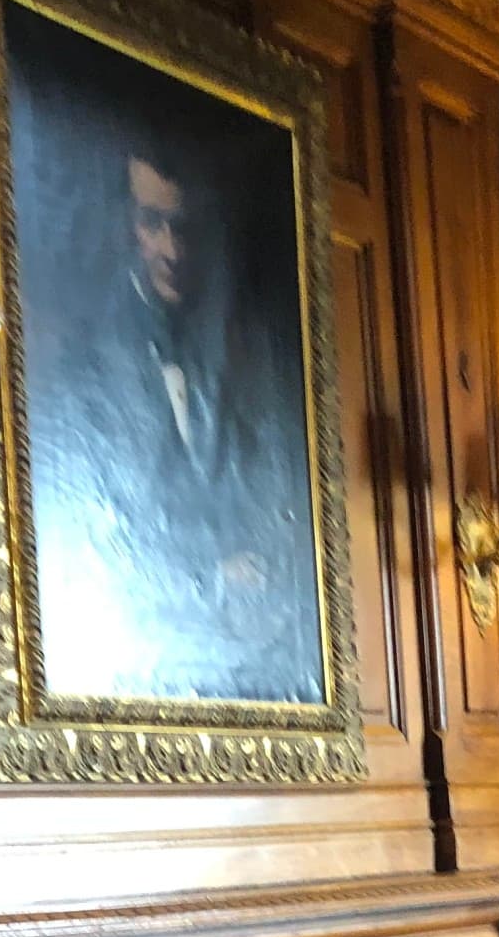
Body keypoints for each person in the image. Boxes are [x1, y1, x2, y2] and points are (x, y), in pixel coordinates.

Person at [45, 127, 320, 705]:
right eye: (152, 224)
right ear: (122, 226)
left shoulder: (246, 354)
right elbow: (104, 541)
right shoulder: (87, 363)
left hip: (254, 655)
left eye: (183, 228)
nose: (171, 249)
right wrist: (215, 577)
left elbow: (284, 506)